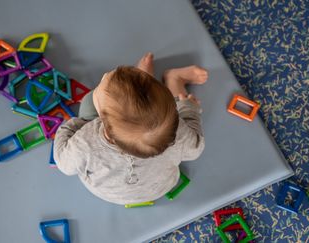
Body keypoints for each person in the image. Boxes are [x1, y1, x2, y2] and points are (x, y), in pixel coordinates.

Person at [53, 53, 207, 205]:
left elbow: (63, 164)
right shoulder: (175, 130)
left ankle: (146, 78)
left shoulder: (87, 140)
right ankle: (174, 80)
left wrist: (71, 126)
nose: (105, 74)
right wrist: (190, 109)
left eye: (103, 81)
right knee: (167, 107)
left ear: (101, 118)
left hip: (107, 194)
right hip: (159, 188)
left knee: (87, 101)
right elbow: (195, 149)